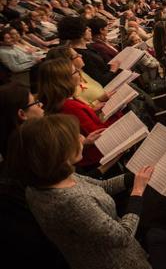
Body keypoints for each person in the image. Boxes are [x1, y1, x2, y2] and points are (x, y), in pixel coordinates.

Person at [8, 114, 154, 269]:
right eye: (73, 138)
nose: (81, 138)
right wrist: (137, 191)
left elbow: (102, 186)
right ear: (58, 154)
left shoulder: (47, 179)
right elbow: (122, 236)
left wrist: (134, 177)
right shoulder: (72, 203)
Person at [57, 17, 118, 86]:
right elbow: (99, 80)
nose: (90, 29)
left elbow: (102, 66)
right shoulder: (79, 55)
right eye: (86, 28)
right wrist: (113, 70)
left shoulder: (88, 46)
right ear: (80, 32)